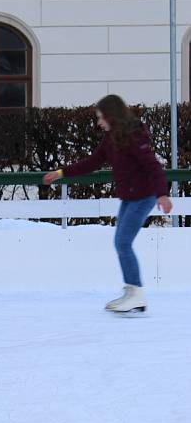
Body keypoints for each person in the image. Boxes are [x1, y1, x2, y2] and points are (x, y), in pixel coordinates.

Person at [43, 94, 173, 313]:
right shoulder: (111, 138)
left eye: (101, 117)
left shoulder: (135, 136)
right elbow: (92, 162)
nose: (98, 122)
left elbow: (154, 167)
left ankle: (137, 294)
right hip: (130, 197)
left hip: (145, 196)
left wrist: (162, 195)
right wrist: (60, 173)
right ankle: (132, 291)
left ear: (112, 115)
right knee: (120, 242)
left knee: (123, 242)